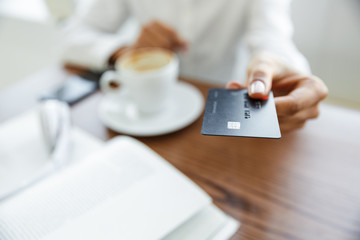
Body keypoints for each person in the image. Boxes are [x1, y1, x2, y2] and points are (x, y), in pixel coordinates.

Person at [61, 0, 328, 132]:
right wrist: (127, 52)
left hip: (225, 114)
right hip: (140, 121)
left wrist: (280, 66)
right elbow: (72, 36)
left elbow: (273, 38)